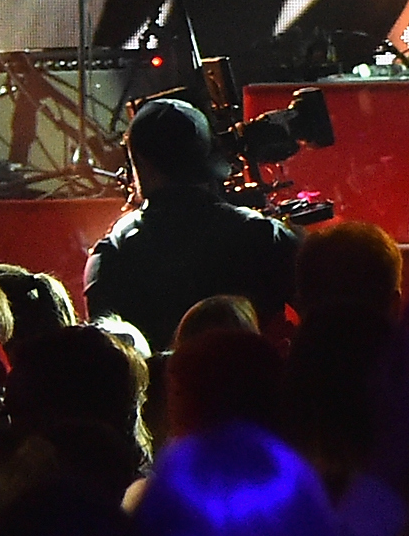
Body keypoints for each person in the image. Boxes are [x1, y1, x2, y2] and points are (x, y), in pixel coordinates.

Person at [83, 97, 301, 353]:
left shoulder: (113, 253)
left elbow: (107, 355)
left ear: (140, 163)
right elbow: (325, 319)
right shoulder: (263, 235)